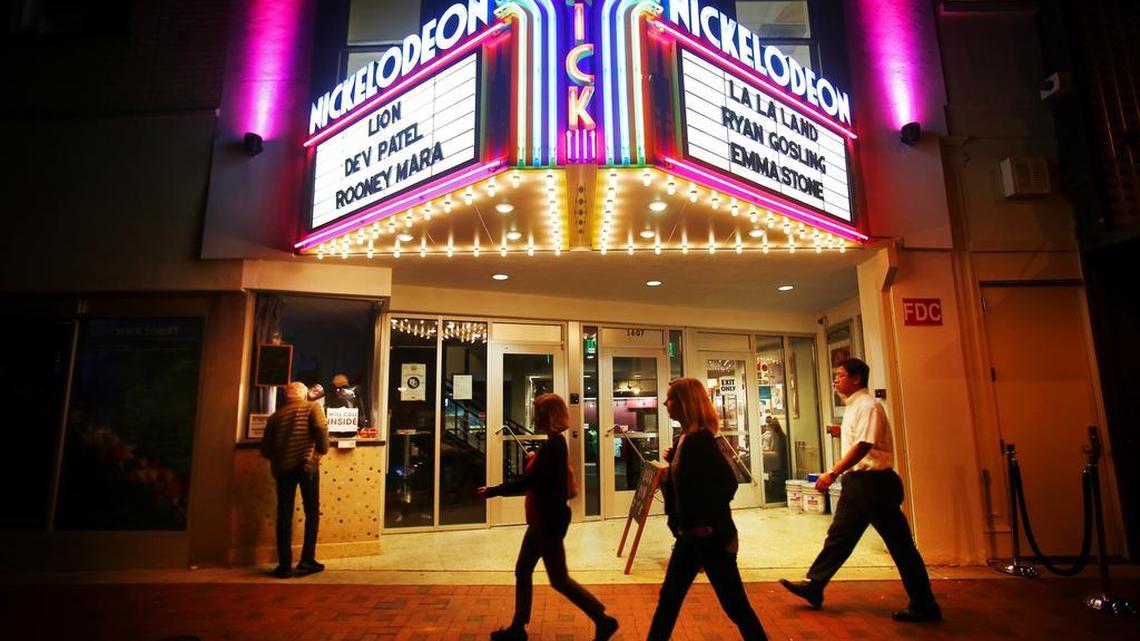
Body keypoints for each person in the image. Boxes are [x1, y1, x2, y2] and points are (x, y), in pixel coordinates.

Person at [780, 358, 942, 623]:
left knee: (899, 546)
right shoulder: (855, 407)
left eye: (841, 375)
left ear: (856, 379)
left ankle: (925, 604)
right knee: (839, 537)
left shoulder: (869, 406)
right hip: (860, 484)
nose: (836, 380)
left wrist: (833, 472)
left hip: (874, 484)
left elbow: (864, 445)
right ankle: (815, 584)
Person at [478, 393, 618, 641]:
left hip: (547, 521)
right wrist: (536, 460)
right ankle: (518, 627)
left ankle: (602, 619)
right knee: (524, 569)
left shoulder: (554, 446)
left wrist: (494, 491)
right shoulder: (553, 444)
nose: (535, 417)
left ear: (547, 416)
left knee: (558, 579)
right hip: (544, 520)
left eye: (538, 413)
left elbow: (532, 482)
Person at [647, 378, 769, 641]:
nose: (666, 403)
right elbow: (692, 483)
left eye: (670, 398)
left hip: (710, 539)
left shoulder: (699, 441)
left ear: (684, 403)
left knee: (735, 605)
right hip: (690, 537)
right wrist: (675, 464)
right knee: (669, 599)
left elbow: (727, 484)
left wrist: (705, 523)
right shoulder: (685, 438)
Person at [260, 380, 330, 579]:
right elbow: (321, 428)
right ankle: (307, 560)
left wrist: (282, 455)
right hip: (307, 465)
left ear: (286, 396)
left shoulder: (275, 417)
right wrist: (321, 450)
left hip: (283, 469)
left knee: (284, 515)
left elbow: (265, 450)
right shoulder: (312, 407)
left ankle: (284, 566)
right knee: (312, 512)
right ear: (304, 394)